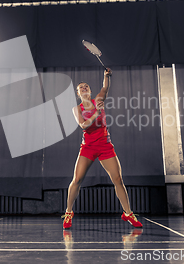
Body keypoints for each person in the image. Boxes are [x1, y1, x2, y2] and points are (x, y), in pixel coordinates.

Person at [61, 68, 142, 229]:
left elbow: (105, 88)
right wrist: (96, 112)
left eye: (86, 87)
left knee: (118, 179)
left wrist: (106, 76)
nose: (84, 88)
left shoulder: (98, 99)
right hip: (88, 147)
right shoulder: (77, 109)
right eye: (81, 88)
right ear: (78, 93)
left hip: (105, 146)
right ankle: (69, 212)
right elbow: (83, 125)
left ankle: (128, 213)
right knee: (77, 180)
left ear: (90, 91)